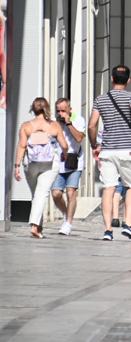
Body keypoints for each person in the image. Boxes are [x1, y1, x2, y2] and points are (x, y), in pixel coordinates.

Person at [88, 65, 131, 241]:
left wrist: (94, 143)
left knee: (108, 189)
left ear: (111, 79)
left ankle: (108, 230)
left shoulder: (100, 99)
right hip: (127, 149)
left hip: (107, 150)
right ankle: (128, 224)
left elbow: (92, 125)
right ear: (128, 80)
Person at [15, 98, 68, 239]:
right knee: (42, 193)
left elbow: (21, 146)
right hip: (49, 163)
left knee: (36, 194)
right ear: (47, 108)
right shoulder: (55, 125)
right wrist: (65, 155)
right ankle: (34, 225)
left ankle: (38, 227)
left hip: (30, 163)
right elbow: (64, 145)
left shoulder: (26, 126)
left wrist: (17, 166)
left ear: (33, 109)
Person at [51, 98, 86, 236]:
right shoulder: (54, 121)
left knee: (71, 192)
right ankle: (66, 213)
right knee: (56, 194)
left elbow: (79, 138)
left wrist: (69, 123)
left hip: (74, 161)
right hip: (58, 161)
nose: (60, 113)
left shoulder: (79, 120)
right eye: (58, 111)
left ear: (69, 110)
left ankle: (68, 223)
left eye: (63, 111)